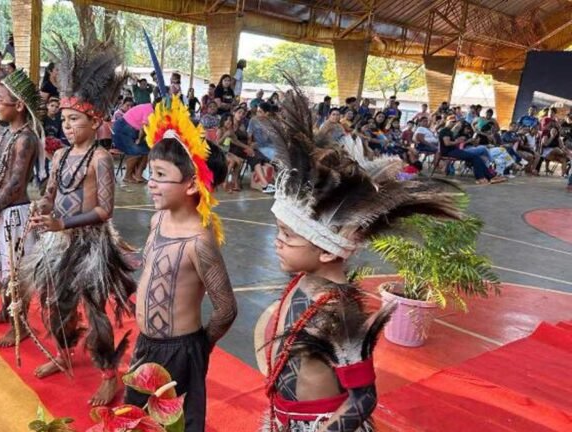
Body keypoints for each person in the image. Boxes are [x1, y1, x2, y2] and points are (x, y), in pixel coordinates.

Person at [260, 82, 461, 432]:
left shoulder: (338, 310)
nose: (276, 241)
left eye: (287, 234)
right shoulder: (301, 282)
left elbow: (363, 398)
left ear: (325, 250)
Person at [21, 39, 137, 407]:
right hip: (60, 242)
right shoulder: (59, 157)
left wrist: (62, 223)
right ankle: (64, 350)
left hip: (91, 244)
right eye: (65, 120)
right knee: (55, 304)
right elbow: (50, 193)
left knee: (95, 308)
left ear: (95, 121)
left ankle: (108, 374)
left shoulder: (100, 159)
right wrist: (40, 207)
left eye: (75, 120)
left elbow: (105, 210)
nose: (68, 126)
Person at [124, 96, 236, 432]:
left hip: (179, 351)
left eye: (159, 175)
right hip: (146, 345)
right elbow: (153, 264)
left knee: (170, 424)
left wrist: (199, 348)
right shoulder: (158, 220)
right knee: (134, 420)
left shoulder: (199, 242)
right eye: (150, 172)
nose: (150, 182)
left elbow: (226, 308)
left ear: (191, 184)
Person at [0, 69, 42, 347]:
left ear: (18, 106)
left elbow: (16, 182)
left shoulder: (26, 139)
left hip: (15, 213)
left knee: (16, 272)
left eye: (1, 100)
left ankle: (22, 323)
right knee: (3, 266)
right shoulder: (3, 133)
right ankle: (5, 312)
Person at [439, 116, 501, 184]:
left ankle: (489, 176)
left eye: (454, 122)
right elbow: (447, 143)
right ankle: (480, 178)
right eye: (451, 122)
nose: (453, 123)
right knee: (475, 157)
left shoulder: (450, 131)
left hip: (454, 150)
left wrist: (459, 140)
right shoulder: (444, 131)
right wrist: (458, 141)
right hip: (449, 152)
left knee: (477, 157)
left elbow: (452, 142)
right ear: (446, 121)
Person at [112, 99, 155, 183]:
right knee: (135, 152)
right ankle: (127, 176)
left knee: (146, 150)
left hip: (131, 131)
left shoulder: (152, 109)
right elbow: (144, 128)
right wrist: (139, 139)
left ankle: (138, 175)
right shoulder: (150, 110)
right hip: (122, 131)